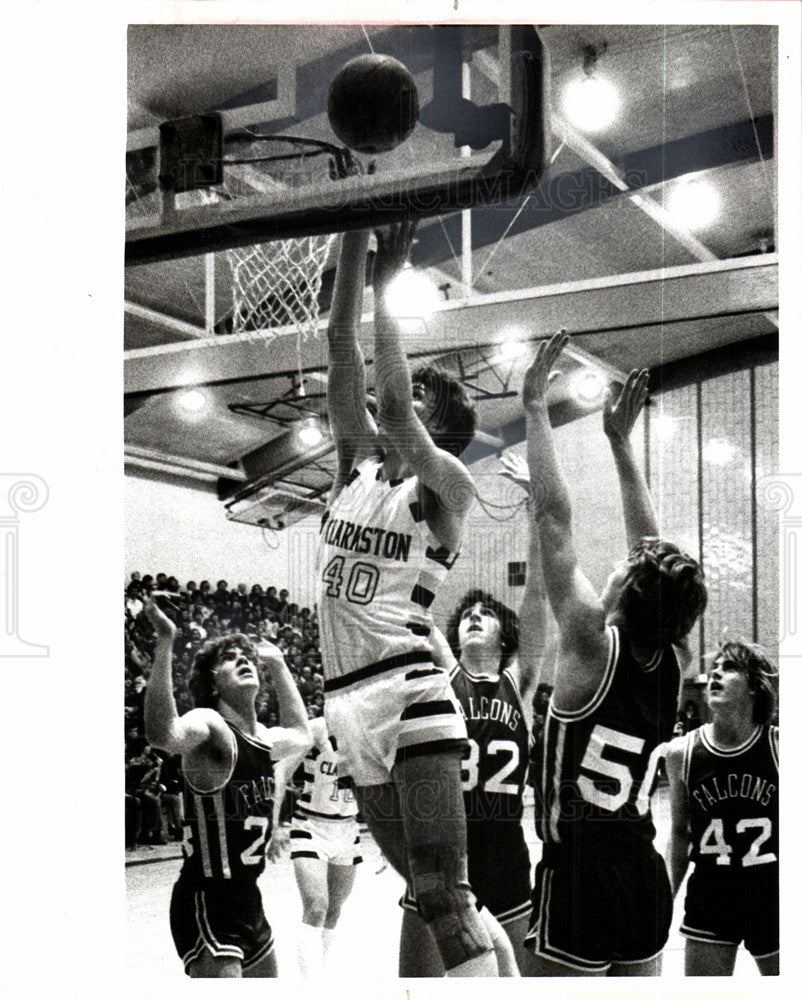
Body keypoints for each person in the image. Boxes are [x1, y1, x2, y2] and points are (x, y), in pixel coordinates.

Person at [317, 223, 497, 976]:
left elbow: (392, 406)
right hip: (346, 703)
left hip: (409, 692)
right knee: (428, 899)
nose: (403, 394)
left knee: (446, 897)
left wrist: (393, 283)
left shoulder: (446, 487)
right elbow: (337, 342)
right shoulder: (354, 469)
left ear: (441, 429)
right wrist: (358, 228)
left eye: (422, 395)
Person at [521, 333, 708, 976]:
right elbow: (654, 553)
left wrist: (533, 411)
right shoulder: (673, 662)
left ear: (628, 589)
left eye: (628, 567)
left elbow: (552, 518)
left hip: (578, 881)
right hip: (642, 876)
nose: (621, 561)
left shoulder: (589, 641)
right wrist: (621, 446)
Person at [399, 473, 547, 977]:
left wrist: (534, 513)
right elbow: (413, 609)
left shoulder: (520, 685)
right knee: (418, 985)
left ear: (507, 634)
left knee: (515, 982)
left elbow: (538, 596)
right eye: (468, 614)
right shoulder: (444, 676)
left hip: (505, 852)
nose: (475, 617)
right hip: (443, 847)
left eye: (487, 613)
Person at [143, 597, 311, 978]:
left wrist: (280, 665)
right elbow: (163, 733)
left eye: (246, 655)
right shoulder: (211, 725)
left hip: (248, 898)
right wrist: (166, 641)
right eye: (229, 658)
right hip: (207, 897)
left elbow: (302, 735)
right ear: (213, 683)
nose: (242, 659)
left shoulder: (266, 740)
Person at [664, 641, 778, 976]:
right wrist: (666, 896)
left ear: (755, 686)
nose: (716, 672)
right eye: (714, 667)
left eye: (729, 667)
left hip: (772, 894)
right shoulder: (680, 753)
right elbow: (680, 831)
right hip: (711, 897)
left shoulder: (780, 746)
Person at [269, 713, 362, 976]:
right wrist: (274, 823)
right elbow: (282, 769)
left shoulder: (366, 727)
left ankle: (322, 976)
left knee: (333, 911)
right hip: (311, 825)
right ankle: (311, 987)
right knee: (316, 907)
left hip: (347, 829)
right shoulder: (318, 728)